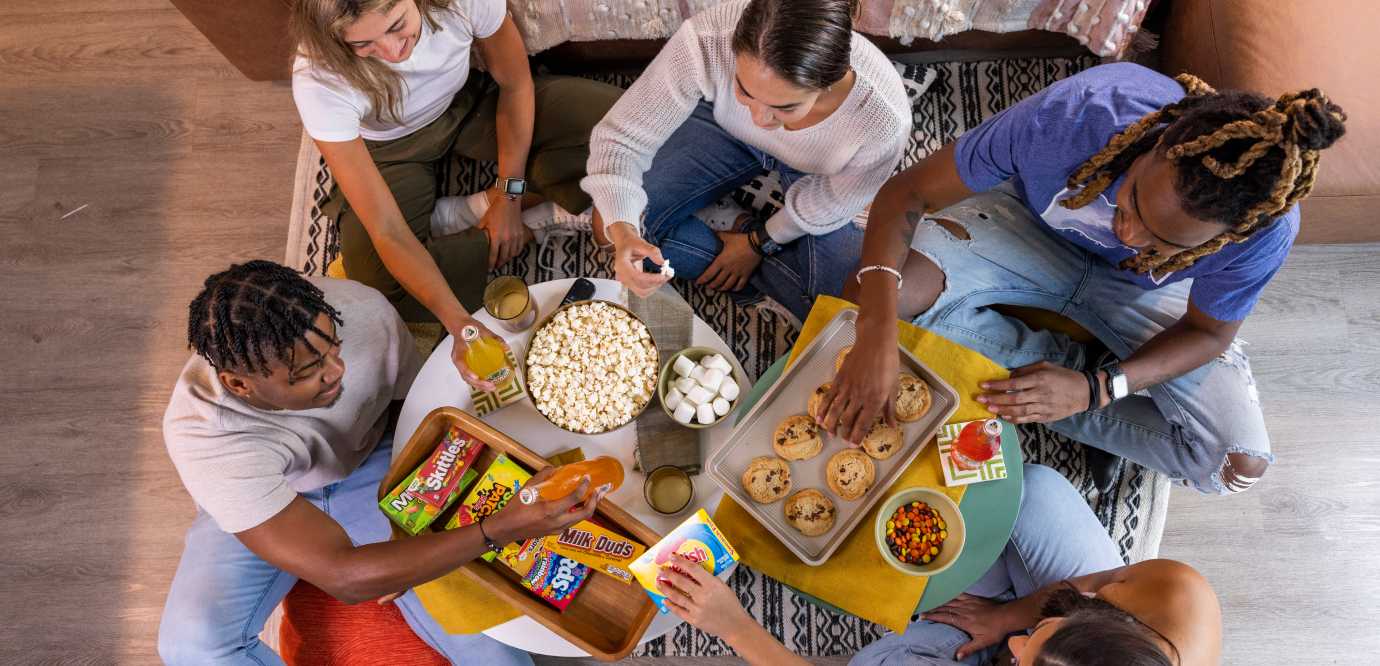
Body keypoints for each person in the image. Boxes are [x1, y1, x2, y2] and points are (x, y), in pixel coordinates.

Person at [820, 62, 1347, 493]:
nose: (1128, 233)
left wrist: (1098, 389)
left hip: (1135, 294)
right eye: (1134, 198)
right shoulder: (1079, 112)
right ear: (1155, 141)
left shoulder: (1262, 230)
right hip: (1021, 230)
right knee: (867, 302)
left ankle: (1079, 382)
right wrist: (876, 333)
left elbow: (1208, 332)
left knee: (1232, 465)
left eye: (1165, 240)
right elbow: (906, 193)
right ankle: (1076, 372)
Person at [157, 260, 604, 665]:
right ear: (239, 384)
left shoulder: (360, 310)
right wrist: (498, 529)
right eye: (306, 373)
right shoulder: (203, 436)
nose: (336, 371)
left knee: (494, 658)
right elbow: (344, 577)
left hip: (374, 464)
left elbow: (411, 411)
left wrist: (412, 520)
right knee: (191, 646)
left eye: (332, 348)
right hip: (269, 499)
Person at [291, 0, 621, 388]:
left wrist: (508, 194)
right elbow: (387, 230)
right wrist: (460, 323)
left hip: (469, 105)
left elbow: (515, 85)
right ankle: (506, 213)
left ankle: (488, 211)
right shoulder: (318, 78)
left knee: (618, 127)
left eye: (398, 26)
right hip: (388, 151)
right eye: (363, 45)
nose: (391, 51)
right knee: (378, 288)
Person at [658, 466, 1222, 665]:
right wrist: (1006, 621)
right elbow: (1095, 586)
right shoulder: (1178, 596)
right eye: (1041, 633)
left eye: (1023, 658)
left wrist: (731, 624)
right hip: (1070, 607)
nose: (1018, 645)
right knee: (1041, 492)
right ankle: (1014, 599)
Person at [582, 0, 911, 322]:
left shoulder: (883, 119)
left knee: (850, 304)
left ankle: (743, 246)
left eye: (785, 108)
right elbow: (621, 140)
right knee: (609, 225)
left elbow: (833, 201)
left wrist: (761, 242)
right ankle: (752, 244)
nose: (759, 118)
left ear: (829, 81)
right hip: (721, 128)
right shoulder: (708, 39)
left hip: (816, 174)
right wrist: (626, 235)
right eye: (744, 89)